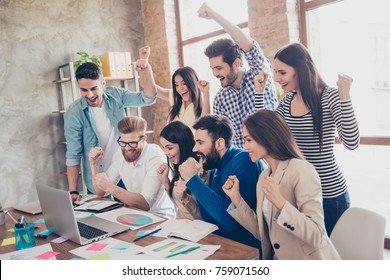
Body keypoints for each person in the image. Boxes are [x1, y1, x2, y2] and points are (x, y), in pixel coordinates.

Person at [256, 42, 360, 235]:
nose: (277, 78)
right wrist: (259, 94)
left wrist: (345, 97)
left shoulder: (329, 97)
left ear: (300, 70)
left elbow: (352, 142)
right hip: (300, 192)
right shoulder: (287, 101)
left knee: (327, 255)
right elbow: (264, 133)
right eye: (275, 73)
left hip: (329, 194)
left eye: (282, 72)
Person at [222, 110, 341, 260]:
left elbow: (316, 234)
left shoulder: (301, 170)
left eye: (249, 140)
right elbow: (262, 233)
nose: (245, 147)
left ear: (266, 136)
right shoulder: (264, 177)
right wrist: (236, 199)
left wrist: (281, 203)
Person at [64, 62, 158, 201]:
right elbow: (73, 155)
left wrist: (146, 72)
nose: (90, 95)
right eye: (84, 90)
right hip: (99, 177)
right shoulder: (74, 113)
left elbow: (147, 98)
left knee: (131, 215)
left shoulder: (116, 95)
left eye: (93, 88)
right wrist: (73, 190)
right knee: (105, 220)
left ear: (103, 83)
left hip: (125, 170)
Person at [198, 2, 278, 148]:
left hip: (271, 159)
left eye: (219, 68)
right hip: (242, 165)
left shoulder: (258, 74)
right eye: (212, 68)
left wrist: (214, 14)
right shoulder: (220, 99)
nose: (215, 74)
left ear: (236, 63)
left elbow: (249, 46)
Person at [178, 114, 264, 249]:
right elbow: (210, 219)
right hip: (223, 245)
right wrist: (199, 183)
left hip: (246, 251)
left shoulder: (244, 160)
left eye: (200, 143)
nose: (194, 149)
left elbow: (231, 223)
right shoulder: (215, 167)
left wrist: (193, 180)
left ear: (219, 143)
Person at [88, 116, 176, 219]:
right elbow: (101, 192)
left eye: (132, 143)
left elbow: (145, 204)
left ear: (143, 139)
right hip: (135, 215)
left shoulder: (155, 155)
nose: (127, 148)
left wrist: (110, 187)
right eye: (123, 143)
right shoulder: (120, 154)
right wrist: (94, 165)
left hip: (161, 217)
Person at [138, 46, 211, 128]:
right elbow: (149, 88)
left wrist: (206, 93)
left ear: (192, 82)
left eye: (184, 83)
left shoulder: (203, 103)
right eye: (176, 85)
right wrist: (144, 62)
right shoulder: (176, 97)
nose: (180, 88)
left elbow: (206, 126)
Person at [157, 121, 204, 220]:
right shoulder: (180, 164)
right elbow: (180, 206)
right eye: (163, 147)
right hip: (181, 227)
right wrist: (165, 181)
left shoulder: (199, 168)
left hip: (198, 230)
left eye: (169, 148)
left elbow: (203, 216)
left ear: (183, 144)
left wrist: (185, 197)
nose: (165, 153)